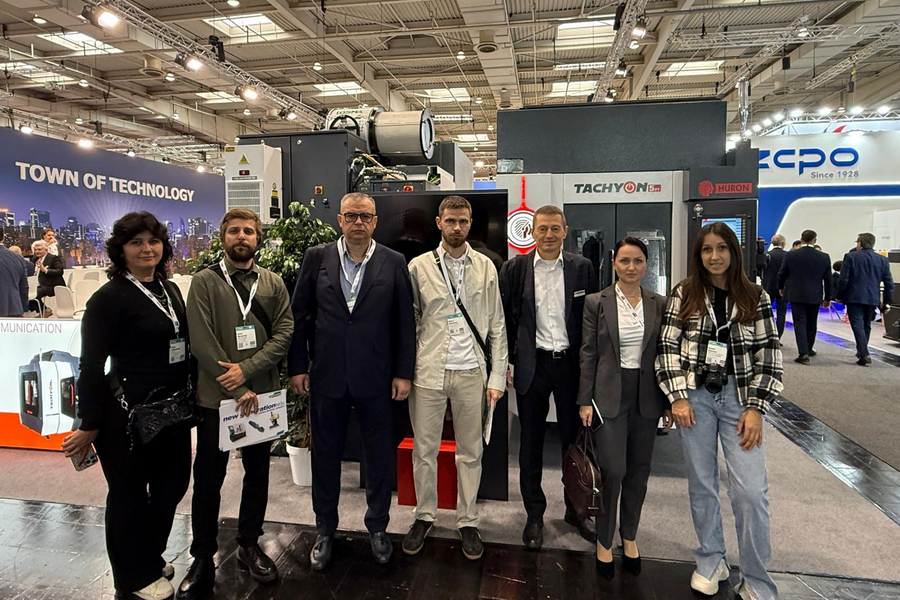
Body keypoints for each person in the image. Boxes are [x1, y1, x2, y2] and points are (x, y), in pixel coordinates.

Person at [62, 212, 192, 600]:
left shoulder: (169, 289)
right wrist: (89, 421)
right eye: (136, 242)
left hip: (171, 411)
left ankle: (146, 556)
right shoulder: (108, 299)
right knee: (128, 495)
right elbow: (90, 364)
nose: (147, 248)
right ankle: (131, 577)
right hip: (125, 415)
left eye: (153, 240)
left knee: (172, 486)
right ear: (120, 250)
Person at [288, 193, 417, 570]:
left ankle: (377, 527)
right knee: (325, 457)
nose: (358, 222)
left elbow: (404, 322)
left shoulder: (394, 261)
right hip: (327, 376)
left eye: (365, 216)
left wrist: (403, 372)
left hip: (377, 377)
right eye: (351, 216)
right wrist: (298, 367)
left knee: (378, 456)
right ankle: (325, 529)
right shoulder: (317, 257)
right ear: (340, 220)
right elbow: (300, 315)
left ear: (375, 221)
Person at [656, 222, 783, 600]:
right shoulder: (684, 293)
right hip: (695, 398)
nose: (714, 256)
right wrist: (677, 396)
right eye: (707, 249)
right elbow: (667, 346)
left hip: (740, 400)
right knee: (702, 483)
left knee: (750, 492)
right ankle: (711, 558)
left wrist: (757, 407)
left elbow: (770, 355)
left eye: (722, 248)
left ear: (734, 252)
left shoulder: (755, 296)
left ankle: (757, 579)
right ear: (699, 254)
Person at [178, 208, 294, 599]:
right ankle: (202, 556)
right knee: (209, 478)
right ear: (223, 237)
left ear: (258, 238)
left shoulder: (273, 282)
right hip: (217, 400)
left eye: (248, 231)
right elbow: (201, 340)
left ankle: (249, 543)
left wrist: (246, 371)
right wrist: (234, 385)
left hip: (261, 398)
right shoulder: (205, 281)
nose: (241, 236)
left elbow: (284, 333)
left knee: (257, 474)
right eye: (234, 231)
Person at [403, 195, 508, 560]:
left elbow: (497, 325)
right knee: (424, 450)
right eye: (450, 220)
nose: (457, 227)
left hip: (472, 373)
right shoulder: (418, 267)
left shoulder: (486, 267)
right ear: (439, 222)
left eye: (463, 221)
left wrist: (497, 377)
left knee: (471, 451)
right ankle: (424, 515)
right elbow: (410, 320)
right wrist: (406, 368)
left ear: (470, 223)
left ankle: (468, 520)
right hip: (428, 371)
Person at [499, 205, 599, 549]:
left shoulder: (582, 268)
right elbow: (506, 319)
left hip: (571, 366)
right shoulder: (515, 269)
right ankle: (534, 515)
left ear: (565, 231)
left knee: (575, 441)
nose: (549, 234)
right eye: (542, 228)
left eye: (555, 228)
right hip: (533, 365)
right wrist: (507, 361)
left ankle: (577, 510)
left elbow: (592, 321)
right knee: (531, 444)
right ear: (532, 232)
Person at [578, 237, 672, 579]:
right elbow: (588, 352)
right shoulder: (596, 302)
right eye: (624, 261)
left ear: (646, 265)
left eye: (638, 261)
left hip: (647, 396)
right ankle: (604, 540)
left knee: (639, 471)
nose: (631, 267)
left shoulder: (659, 303)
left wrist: (669, 400)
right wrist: (584, 399)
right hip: (608, 396)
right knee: (613, 470)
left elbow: (665, 353)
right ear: (614, 264)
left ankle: (629, 536)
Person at [836, 233, 893, 366]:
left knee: (857, 325)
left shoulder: (850, 257)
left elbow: (844, 279)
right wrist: (887, 302)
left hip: (854, 296)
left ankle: (863, 353)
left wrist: (839, 295)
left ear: (860, 243)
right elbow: (889, 282)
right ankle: (862, 351)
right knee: (866, 325)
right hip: (872, 297)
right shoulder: (882, 259)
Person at [777, 229, 831, 364]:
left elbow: (782, 273)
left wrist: (781, 287)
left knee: (799, 322)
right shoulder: (824, 257)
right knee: (812, 322)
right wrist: (828, 297)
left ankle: (803, 353)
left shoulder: (791, 255)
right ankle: (809, 348)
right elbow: (828, 279)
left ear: (801, 239)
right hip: (815, 294)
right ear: (815, 240)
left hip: (796, 294)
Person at [761, 235, 787, 339]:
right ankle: (778, 337)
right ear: (783, 244)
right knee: (781, 314)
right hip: (783, 288)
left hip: (768, 287)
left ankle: (767, 336)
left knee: (766, 314)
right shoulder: (787, 255)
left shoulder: (766, 255)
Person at [0, 231, 29, 317]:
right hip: (14, 309)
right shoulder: (18, 258)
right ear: (3, 238)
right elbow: (23, 287)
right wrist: (23, 309)